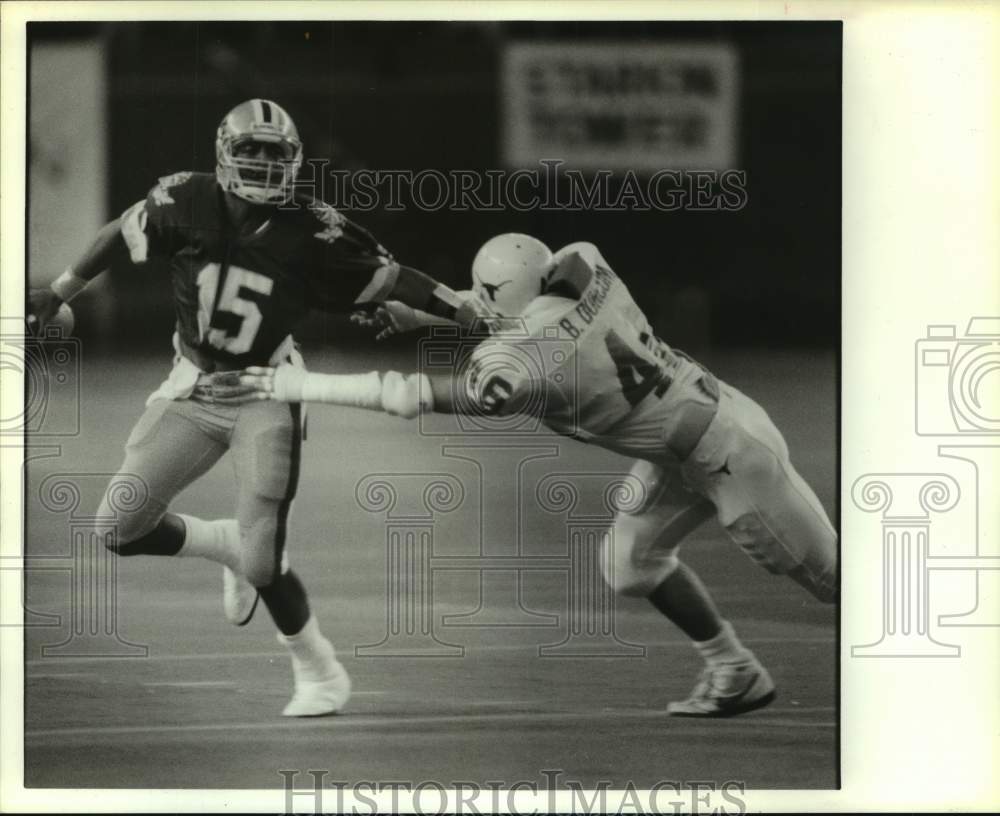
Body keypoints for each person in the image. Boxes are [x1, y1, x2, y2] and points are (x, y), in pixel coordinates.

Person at [238, 234, 839, 718]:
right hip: (687, 442)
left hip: (733, 457)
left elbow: (411, 395)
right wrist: (430, 315)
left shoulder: (519, 361)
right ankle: (734, 669)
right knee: (630, 563)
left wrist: (301, 384)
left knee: (837, 584)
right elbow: (530, 321)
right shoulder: (584, 260)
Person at [26, 98, 479, 717]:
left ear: (294, 161)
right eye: (252, 151)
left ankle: (319, 670)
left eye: (276, 153)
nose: (264, 164)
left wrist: (468, 312)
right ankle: (222, 546)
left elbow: (396, 279)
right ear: (224, 154)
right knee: (117, 528)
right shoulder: (184, 199)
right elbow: (118, 234)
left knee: (266, 561)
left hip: (267, 389)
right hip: (194, 385)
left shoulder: (315, 226)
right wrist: (58, 292)